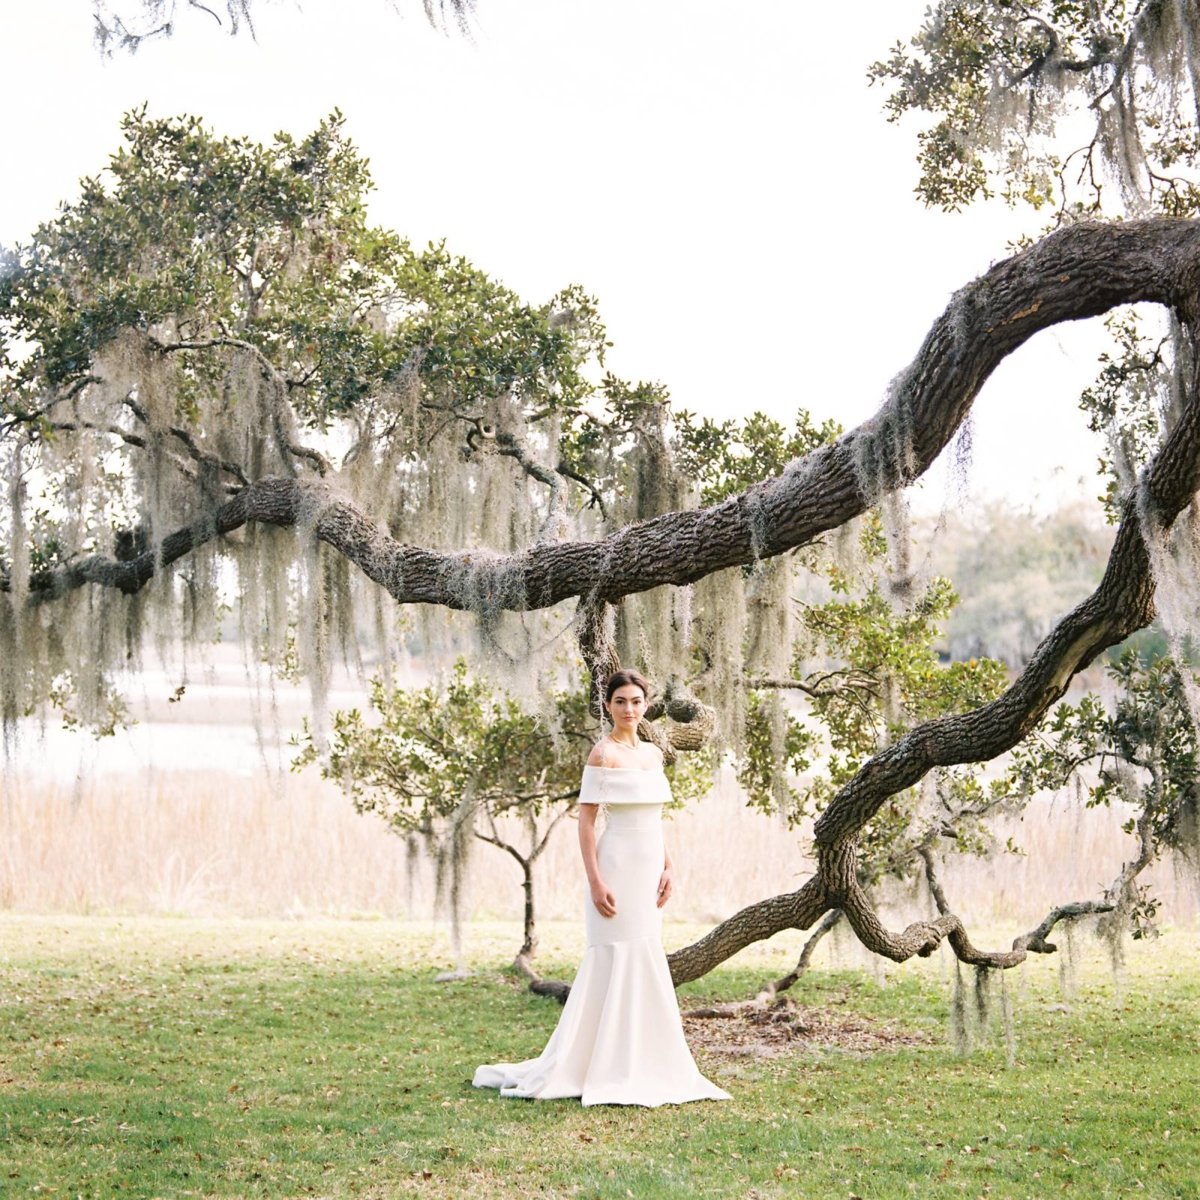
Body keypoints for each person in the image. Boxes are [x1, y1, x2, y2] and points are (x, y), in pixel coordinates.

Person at [472, 668, 732, 1107]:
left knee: (645, 953)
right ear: (608, 706)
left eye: (635, 701)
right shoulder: (602, 754)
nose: (629, 709)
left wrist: (670, 866)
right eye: (620, 702)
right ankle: (597, 1063)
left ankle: (645, 1060)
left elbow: (657, 818)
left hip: (651, 867)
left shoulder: (653, 755)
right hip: (615, 865)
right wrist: (595, 880)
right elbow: (588, 822)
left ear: (645, 704)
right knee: (613, 955)